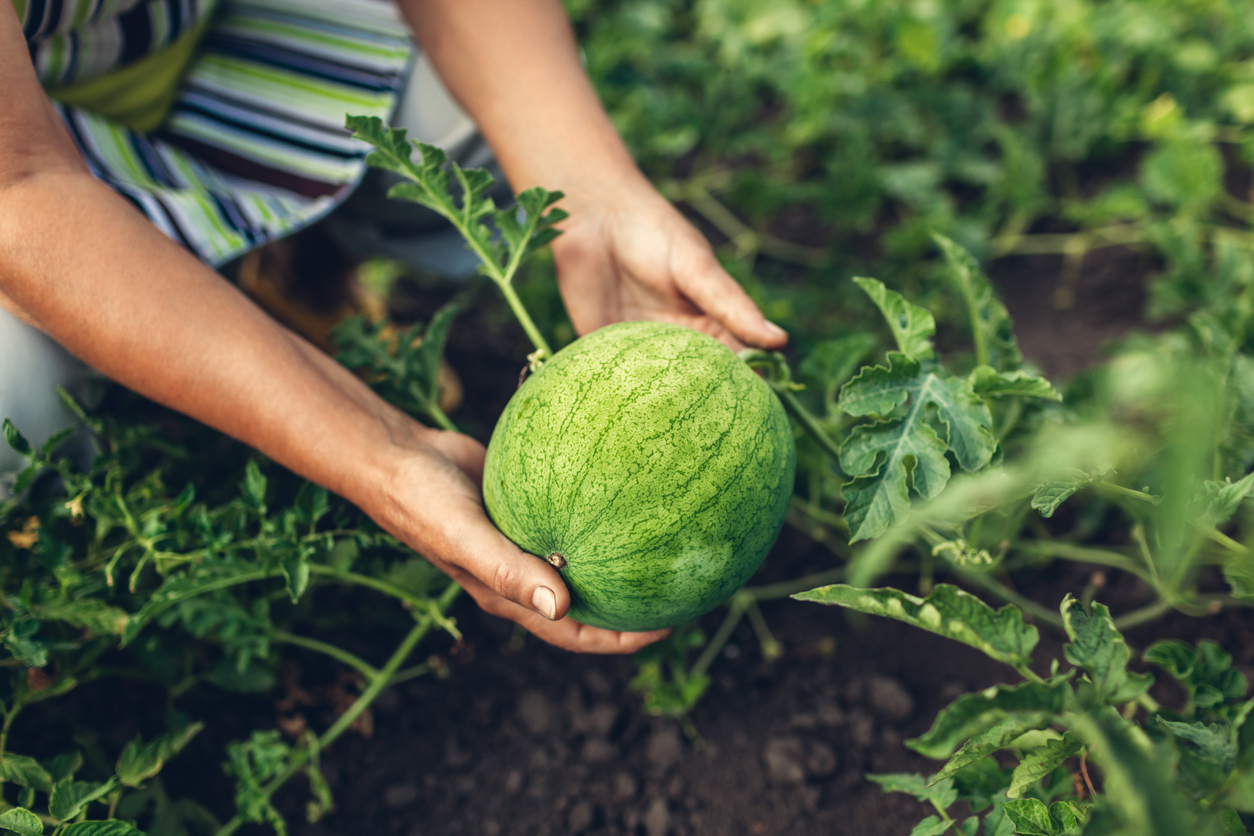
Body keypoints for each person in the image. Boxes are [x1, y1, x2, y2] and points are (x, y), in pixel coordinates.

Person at [0, 0, 788, 654]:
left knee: (477, 138)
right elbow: (22, 194)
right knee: (18, 408)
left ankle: (286, 260)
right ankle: (206, 308)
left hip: (196, 42)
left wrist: (592, 198)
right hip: (26, 170)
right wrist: (378, 450)